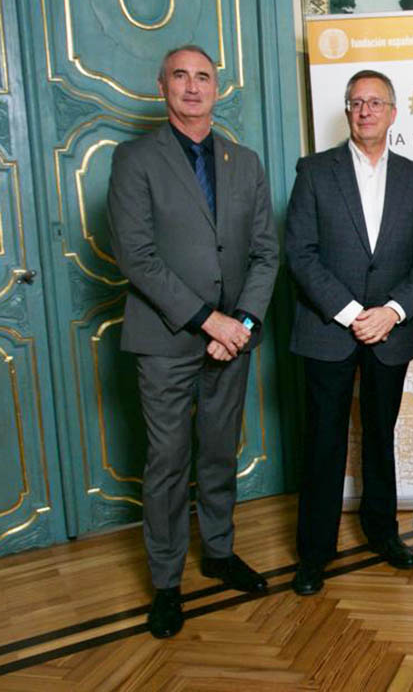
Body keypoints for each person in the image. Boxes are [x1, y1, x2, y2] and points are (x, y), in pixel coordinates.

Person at [107, 45, 279, 639]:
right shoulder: (135, 159)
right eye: (180, 76)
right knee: (165, 464)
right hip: (167, 340)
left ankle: (220, 554)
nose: (192, 86)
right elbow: (138, 256)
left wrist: (245, 324)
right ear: (162, 87)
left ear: (217, 88)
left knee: (217, 454)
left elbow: (264, 252)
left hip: (234, 340)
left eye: (202, 76)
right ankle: (165, 584)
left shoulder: (245, 160)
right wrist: (210, 320)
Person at [286, 70, 413, 595]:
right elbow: (299, 254)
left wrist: (391, 311)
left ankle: (382, 532)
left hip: (389, 330)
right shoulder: (314, 171)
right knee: (324, 441)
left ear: (393, 113)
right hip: (328, 330)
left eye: (376, 102)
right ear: (347, 111)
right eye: (356, 102)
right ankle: (314, 553)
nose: (366, 110)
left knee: (380, 435)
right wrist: (352, 312)